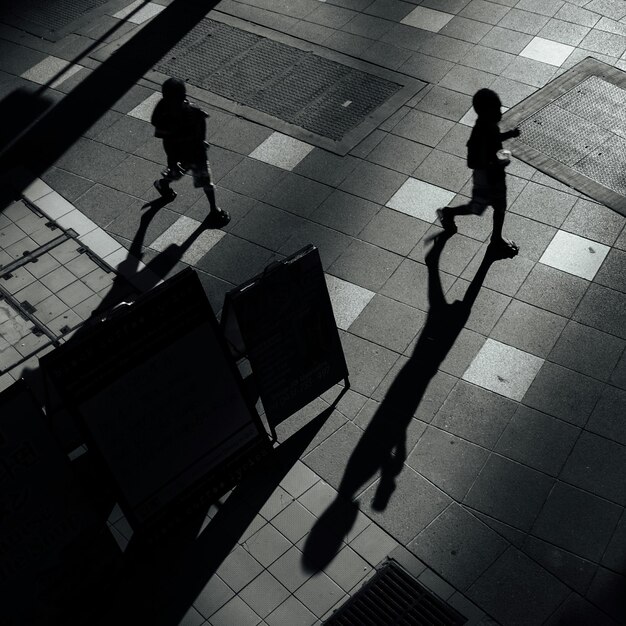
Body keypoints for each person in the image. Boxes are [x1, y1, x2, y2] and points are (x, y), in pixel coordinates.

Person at [436, 88, 520, 257]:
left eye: (499, 109)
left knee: (500, 206)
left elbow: (495, 139)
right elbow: (472, 161)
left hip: (496, 176)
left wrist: (509, 134)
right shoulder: (479, 133)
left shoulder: (491, 126)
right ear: (484, 113)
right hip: (485, 178)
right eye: (496, 110)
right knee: (477, 207)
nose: (500, 113)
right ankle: (448, 212)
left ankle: (496, 238)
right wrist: (494, 163)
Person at [151, 78, 230, 226]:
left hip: (195, 151)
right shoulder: (165, 115)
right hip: (180, 153)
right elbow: (167, 140)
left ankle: (213, 209)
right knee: (176, 173)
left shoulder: (189, 111)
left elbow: (201, 120)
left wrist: (202, 140)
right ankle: (163, 183)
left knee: (205, 181)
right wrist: (173, 160)